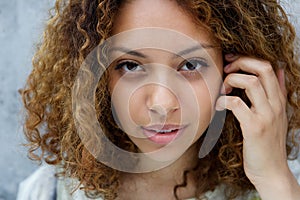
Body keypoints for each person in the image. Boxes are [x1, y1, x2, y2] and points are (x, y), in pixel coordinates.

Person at [18, 0, 300, 199]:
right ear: (97, 77)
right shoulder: (48, 192)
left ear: (235, 70)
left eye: (190, 65)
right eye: (130, 66)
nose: (162, 104)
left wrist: (274, 180)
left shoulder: (275, 188)